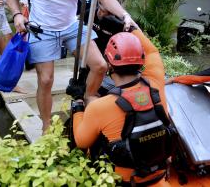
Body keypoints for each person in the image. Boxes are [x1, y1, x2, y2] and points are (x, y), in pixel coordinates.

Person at [7, 0, 135, 131]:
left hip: (71, 27)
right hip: (42, 30)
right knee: (46, 79)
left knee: (100, 65)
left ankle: (87, 99)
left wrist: (125, 15)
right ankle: (46, 126)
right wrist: (16, 15)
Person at [72, 30, 172, 186]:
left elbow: (81, 142)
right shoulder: (156, 81)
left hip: (124, 181)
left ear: (110, 65)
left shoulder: (99, 107)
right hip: (159, 177)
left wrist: (78, 104)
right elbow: (152, 51)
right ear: (141, 60)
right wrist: (129, 25)